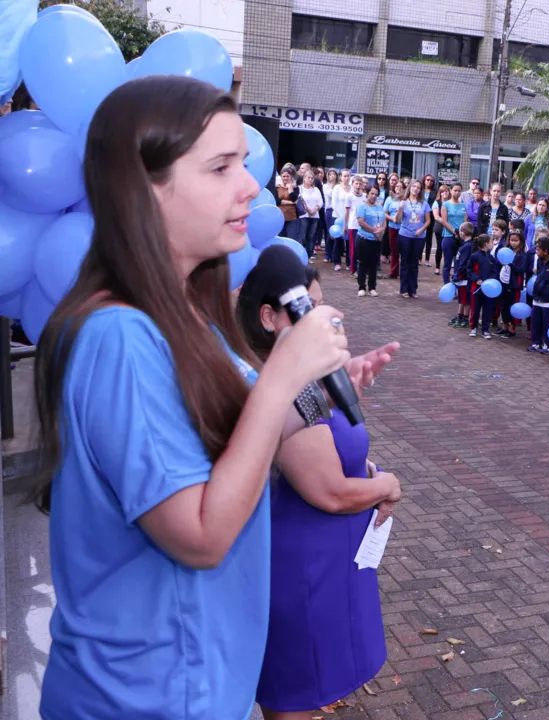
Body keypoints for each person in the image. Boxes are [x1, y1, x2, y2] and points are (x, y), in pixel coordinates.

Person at [31, 76, 369, 719]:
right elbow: (201, 535)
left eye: (243, 163)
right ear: (142, 189)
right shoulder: (121, 335)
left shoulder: (186, 315)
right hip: (145, 697)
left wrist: (302, 387)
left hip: (196, 682)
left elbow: (233, 442)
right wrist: (277, 379)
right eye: (220, 167)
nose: (250, 186)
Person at [235, 248, 401, 719]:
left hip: (328, 561)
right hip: (300, 570)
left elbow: (337, 457)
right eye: (307, 312)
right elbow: (327, 490)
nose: (326, 327)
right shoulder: (276, 386)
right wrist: (386, 485)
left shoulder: (307, 383)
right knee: (295, 700)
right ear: (269, 317)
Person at [395, 179, 430, 298]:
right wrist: (400, 208)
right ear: (410, 187)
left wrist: (421, 229)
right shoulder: (403, 201)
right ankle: (403, 289)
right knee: (405, 262)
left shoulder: (424, 203)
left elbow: (428, 220)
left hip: (419, 237)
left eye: (418, 187)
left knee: (414, 263)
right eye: (414, 186)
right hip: (405, 235)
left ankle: (413, 289)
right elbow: (398, 220)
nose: (415, 189)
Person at [354, 185, 386, 297]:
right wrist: (374, 230)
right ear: (367, 193)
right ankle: (361, 287)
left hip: (377, 240)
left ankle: (372, 287)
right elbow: (361, 222)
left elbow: (384, 220)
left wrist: (381, 231)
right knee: (363, 263)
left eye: (376, 194)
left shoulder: (379, 207)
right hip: (364, 239)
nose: (374, 196)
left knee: (374, 264)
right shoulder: (362, 207)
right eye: (372, 193)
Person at [529, 235, 549, 353]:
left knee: (547, 323)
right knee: (535, 322)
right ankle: (535, 343)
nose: (536, 251)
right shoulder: (540, 261)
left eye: (538, 249)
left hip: (548, 300)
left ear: (545, 251)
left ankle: (547, 344)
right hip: (537, 298)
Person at [467, 234, 499, 338]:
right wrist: (476, 279)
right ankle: (474, 328)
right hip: (476, 289)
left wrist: (490, 280)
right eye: (491, 241)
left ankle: (485, 329)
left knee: (488, 310)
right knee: (475, 309)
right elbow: (469, 270)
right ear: (486, 244)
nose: (493, 243)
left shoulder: (491, 258)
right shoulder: (475, 256)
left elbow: (495, 271)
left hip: (488, 289)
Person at [297, 170, 323, 260]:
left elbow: (321, 201)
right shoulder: (299, 188)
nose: (310, 180)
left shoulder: (316, 190)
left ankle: (309, 254)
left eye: (312, 178)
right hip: (304, 215)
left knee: (311, 235)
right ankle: (300, 255)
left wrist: (315, 209)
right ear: (304, 178)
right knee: (302, 235)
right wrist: (309, 210)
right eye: (308, 178)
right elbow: (300, 201)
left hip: (314, 215)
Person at [383, 180, 405, 279]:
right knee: (394, 251)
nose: (398, 189)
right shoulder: (389, 199)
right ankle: (393, 272)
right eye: (397, 187)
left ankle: (404, 272)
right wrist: (392, 218)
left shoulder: (406, 200)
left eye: (401, 187)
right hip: (392, 227)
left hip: (404, 229)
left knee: (404, 251)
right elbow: (385, 213)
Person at [277, 168, 300, 242]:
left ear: (291, 177)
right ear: (281, 177)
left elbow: (294, 199)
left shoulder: (295, 188)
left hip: (292, 217)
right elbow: (277, 201)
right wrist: (290, 203)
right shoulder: (277, 188)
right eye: (284, 176)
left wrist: (290, 188)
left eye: (287, 176)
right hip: (280, 216)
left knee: (291, 239)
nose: (285, 178)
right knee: (280, 238)